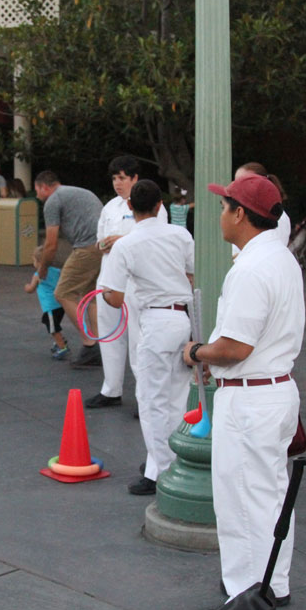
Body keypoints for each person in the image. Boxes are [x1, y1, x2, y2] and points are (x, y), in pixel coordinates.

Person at [183, 174, 303, 610]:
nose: (219, 214)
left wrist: (197, 351)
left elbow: (235, 348)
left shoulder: (253, 267)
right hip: (272, 389)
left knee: (241, 500)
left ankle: (248, 597)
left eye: (224, 206)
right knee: (268, 494)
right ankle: (273, 584)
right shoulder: (278, 257)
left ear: (239, 214)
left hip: (251, 396)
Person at [99, 180, 193, 495]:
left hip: (154, 320)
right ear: (159, 205)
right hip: (182, 317)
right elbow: (191, 276)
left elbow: (112, 296)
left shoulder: (126, 245)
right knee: (178, 395)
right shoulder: (180, 234)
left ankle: (159, 470)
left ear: (130, 207)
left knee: (151, 399)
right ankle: (172, 461)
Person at [85, 156, 168, 409]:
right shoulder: (109, 207)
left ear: (134, 178)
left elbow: (155, 239)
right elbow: (98, 242)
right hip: (109, 277)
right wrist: (106, 243)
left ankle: (144, 396)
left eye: (122, 178)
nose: (117, 183)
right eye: (114, 178)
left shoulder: (153, 206)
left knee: (137, 338)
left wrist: (120, 240)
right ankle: (111, 389)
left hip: (136, 282)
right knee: (109, 335)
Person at [33, 171, 104, 368]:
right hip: (102, 244)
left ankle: (89, 345)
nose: (37, 195)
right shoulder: (75, 192)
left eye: (37, 190)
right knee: (90, 295)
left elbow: (51, 244)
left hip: (86, 246)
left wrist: (43, 268)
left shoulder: (52, 201)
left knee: (63, 292)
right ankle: (99, 344)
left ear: (44, 187)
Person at [24, 245, 69, 360]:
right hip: (60, 304)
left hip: (50, 306)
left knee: (53, 328)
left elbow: (31, 289)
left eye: (34, 260)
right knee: (53, 323)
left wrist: (27, 287)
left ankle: (62, 346)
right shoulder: (57, 271)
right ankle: (60, 340)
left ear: (39, 262)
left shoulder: (38, 275)